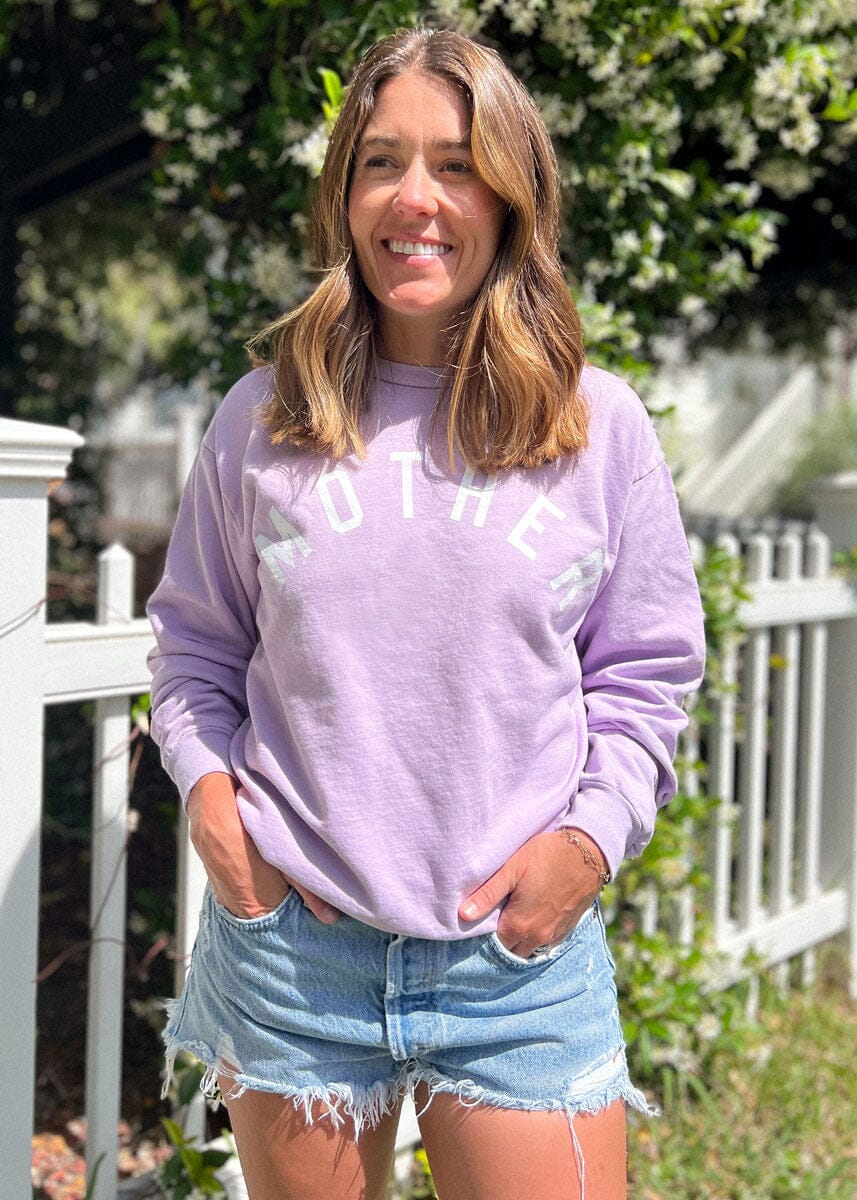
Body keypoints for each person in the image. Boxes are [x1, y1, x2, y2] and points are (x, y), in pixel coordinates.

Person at [147, 26, 705, 1200]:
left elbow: (645, 673)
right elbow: (196, 650)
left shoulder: (594, 426)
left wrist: (586, 843)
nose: (416, 199)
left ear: (509, 195)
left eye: (455, 165)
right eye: (381, 162)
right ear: (342, 193)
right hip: (295, 953)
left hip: (516, 967)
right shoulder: (262, 420)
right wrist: (215, 808)